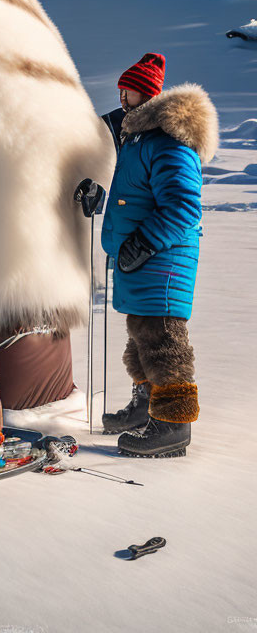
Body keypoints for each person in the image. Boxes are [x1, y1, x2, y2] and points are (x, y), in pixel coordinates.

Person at [98, 53, 218, 457]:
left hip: (162, 262)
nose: (120, 96)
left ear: (145, 95)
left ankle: (173, 425)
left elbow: (184, 207)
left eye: (126, 89)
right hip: (146, 264)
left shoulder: (168, 142)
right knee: (143, 337)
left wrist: (143, 243)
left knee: (164, 342)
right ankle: (146, 408)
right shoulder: (141, 139)